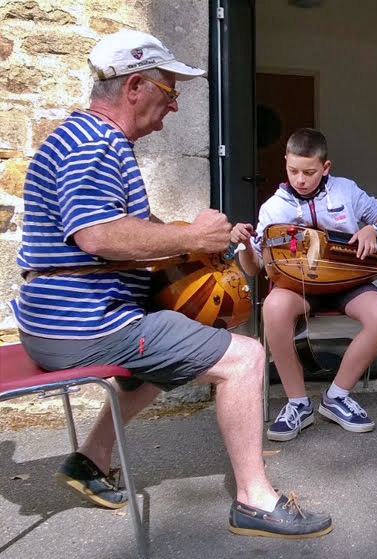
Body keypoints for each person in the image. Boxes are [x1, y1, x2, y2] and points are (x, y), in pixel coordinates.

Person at [11, 29, 332, 538]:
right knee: (244, 357)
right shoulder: (95, 143)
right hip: (82, 325)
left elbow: (118, 227)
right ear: (135, 85)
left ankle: (90, 459)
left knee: (174, 343)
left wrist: (191, 242)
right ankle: (254, 500)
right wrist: (190, 238)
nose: (175, 107)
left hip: (63, 317)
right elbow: (97, 235)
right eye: (170, 91)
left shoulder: (86, 138)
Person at [232, 128, 377, 442]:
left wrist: (373, 230)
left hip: (345, 280)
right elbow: (255, 269)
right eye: (293, 171)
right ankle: (298, 403)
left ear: (326, 167)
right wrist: (243, 247)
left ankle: (337, 397)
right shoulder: (273, 207)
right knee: (274, 306)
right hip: (296, 286)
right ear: (285, 163)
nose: (300, 179)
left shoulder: (346, 190)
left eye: (309, 172)